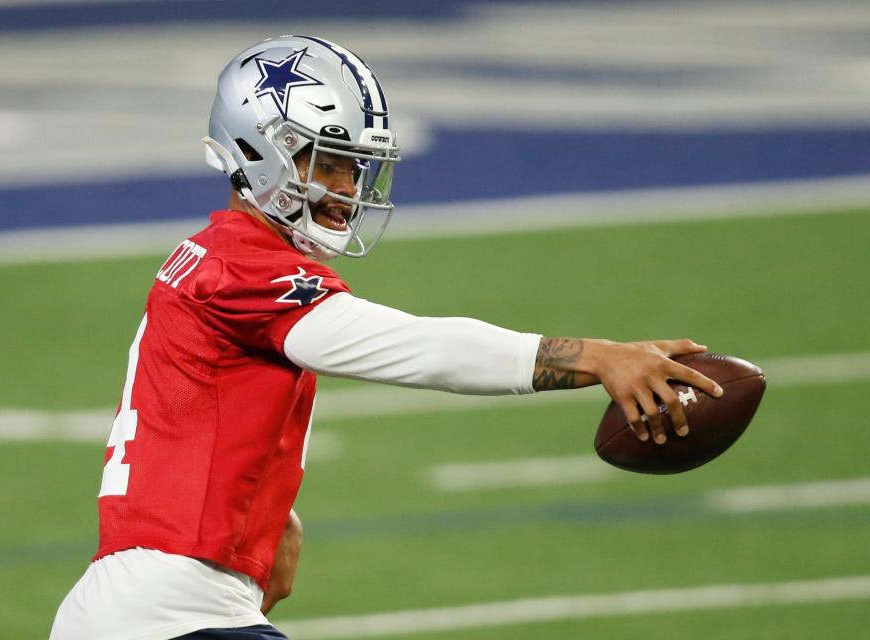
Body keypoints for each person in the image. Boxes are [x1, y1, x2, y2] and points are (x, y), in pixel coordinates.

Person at [49, 35, 723, 640]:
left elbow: (197, 414)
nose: (347, 189)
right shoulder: (241, 268)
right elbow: (416, 347)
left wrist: (254, 533)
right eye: (328, 164)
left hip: (149, 605)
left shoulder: (215, 257)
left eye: (355, 168)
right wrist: (598, 358)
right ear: (258, 151)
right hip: (170, 613)